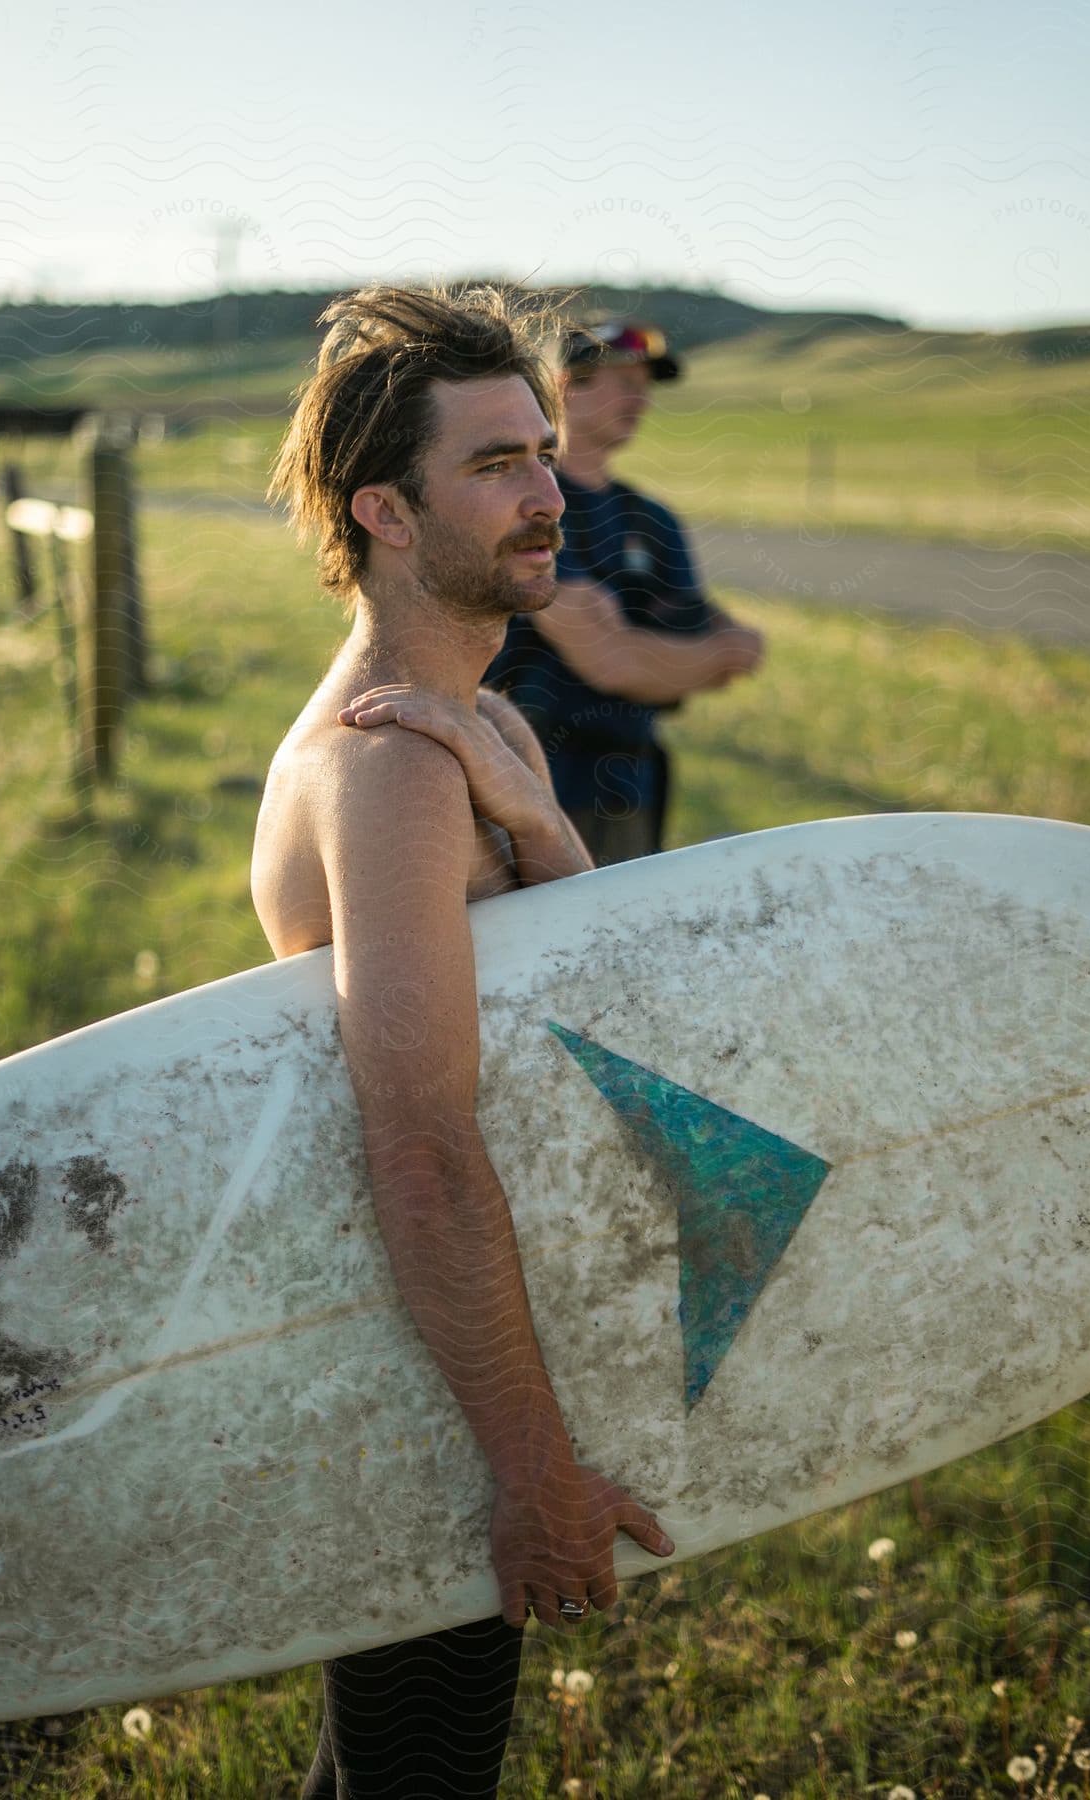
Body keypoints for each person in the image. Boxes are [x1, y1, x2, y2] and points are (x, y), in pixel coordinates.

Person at [253, 284, 678, 1800]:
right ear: (381, 507)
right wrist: (527, 1468)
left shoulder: (476, 731)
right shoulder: (391, 767)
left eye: (542, 451)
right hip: (423, 1364)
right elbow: (419, 1145)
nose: (548, 492)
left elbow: (577, 1018)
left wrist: (547, 832)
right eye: (496, 462)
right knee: (411, 1769)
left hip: (468, 1323)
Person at [484, 316, 765, 864]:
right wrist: (689, 656)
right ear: (566, 384)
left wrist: (659, 648)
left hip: (632, 785)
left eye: (646, 387)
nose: (641, 399)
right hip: (530, 784)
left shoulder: (653, 520)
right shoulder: (524, 504)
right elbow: (611, 662)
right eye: (625, 382)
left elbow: (738, 647)